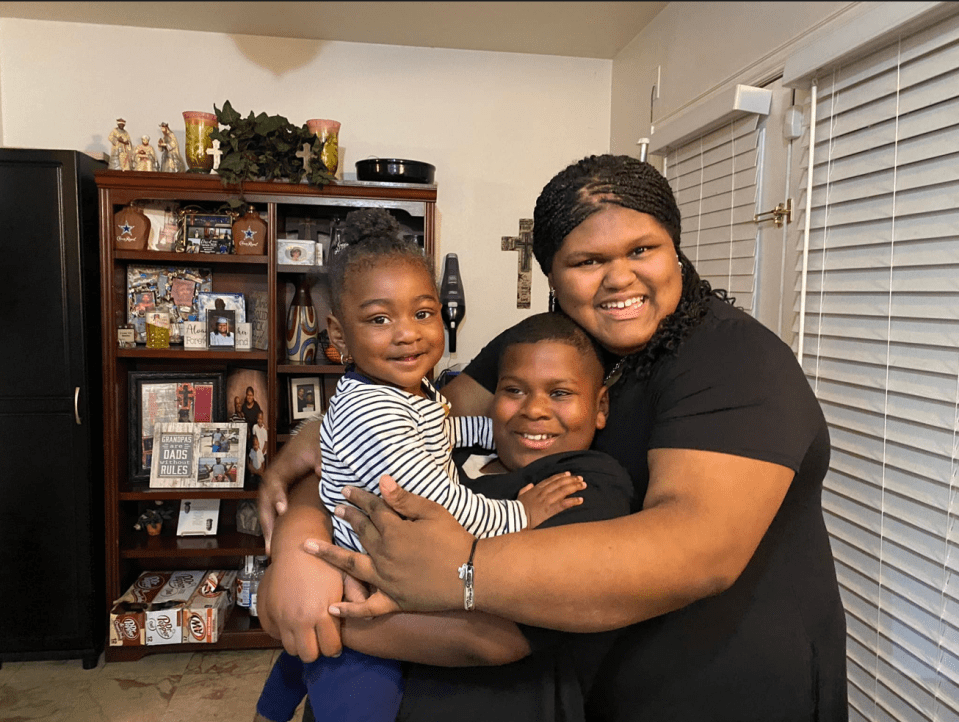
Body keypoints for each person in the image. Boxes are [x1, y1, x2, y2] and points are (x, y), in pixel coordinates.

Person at [257, 155, 849, 721]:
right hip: (592, 678)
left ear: (676, 248)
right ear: (552, 276)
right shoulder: (551, 342)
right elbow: (394, 431)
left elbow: (698, 552)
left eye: (643, 249)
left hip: (725, 684)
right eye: (587, 261)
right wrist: (300, 542)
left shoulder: (733, 361)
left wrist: (455, 571)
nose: (620, 277)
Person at [253, 213, 596, 722]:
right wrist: (518, 517)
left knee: (301, 656)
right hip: (365, 583)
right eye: (378, 319)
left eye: (422, 313)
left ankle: (271, 708)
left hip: (365, 558)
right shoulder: (374, 412)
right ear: (338, 334)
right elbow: (435, 501)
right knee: (361, 695)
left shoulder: (405, 394)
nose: (407, 335)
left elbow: (440, 431)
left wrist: (497, 432)